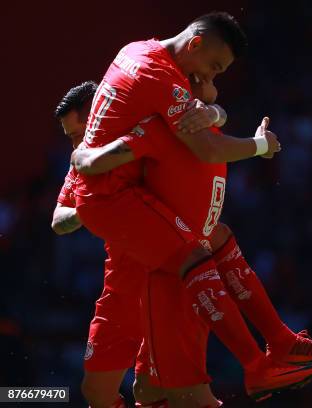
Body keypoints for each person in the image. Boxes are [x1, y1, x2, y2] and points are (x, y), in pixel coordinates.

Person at [72, 11, 312, 405]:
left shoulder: (139, 53)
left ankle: (278, 345)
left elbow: (201, 115)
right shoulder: (160, 85)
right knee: (198, 253)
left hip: (138, 224)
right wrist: (261, 145)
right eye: (213, 66)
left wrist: (213, 110)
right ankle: (260, 362)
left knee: (151, 387)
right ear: (195, 44)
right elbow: (205, 147)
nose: (212, 79)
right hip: (120, 206)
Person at [52, 81, 223, 408]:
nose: (76, 143)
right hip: (120, 288)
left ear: (99, 112)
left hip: (168, 280)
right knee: (96, 392)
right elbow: (59, 220)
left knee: (158, 391)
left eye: (79, 132)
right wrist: (93, 209)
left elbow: (208, 112)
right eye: (70, 137)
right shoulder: (84, 164)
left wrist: (218, 114)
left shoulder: (141, 133)